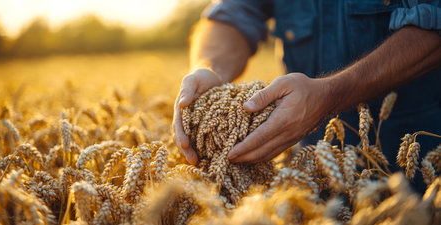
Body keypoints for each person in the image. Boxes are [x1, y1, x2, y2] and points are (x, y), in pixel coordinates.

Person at [172, 0, 441, 192]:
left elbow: (434, 26)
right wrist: (210, 69)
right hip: (310, 179)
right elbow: (233, 14)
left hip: (418, 181)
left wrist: (328, 95)